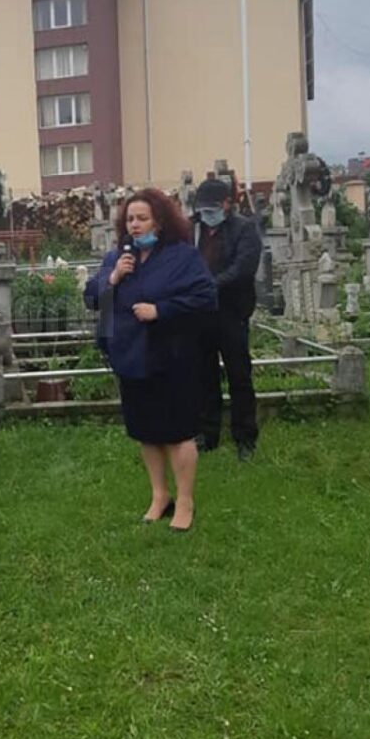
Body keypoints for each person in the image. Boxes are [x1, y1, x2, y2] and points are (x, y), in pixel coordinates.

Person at [84, 188, 216, 532]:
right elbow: (91, 297)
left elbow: (205, 297)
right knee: (146, 431)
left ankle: (185, 501)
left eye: (142, 218)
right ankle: (160, 496)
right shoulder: (117, 258)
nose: (135, 225)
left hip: (171, 355)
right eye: (130, 219)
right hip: (131, 355)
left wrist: (161, 310)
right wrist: (113, 280)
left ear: (159, 220)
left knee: (177, 431)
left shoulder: (182, 256)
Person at [193, 177, 262, 460]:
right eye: (202, 209)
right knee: (203, 376)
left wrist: (210, 285)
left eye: (212, 208)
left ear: (227, 204)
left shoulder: (244, 229)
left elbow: (243, 269)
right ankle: (208, 434)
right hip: (200, 315)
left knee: (239, 376)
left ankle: (244, 437)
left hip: (232, 312)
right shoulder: (193, 228)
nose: (206, 214)